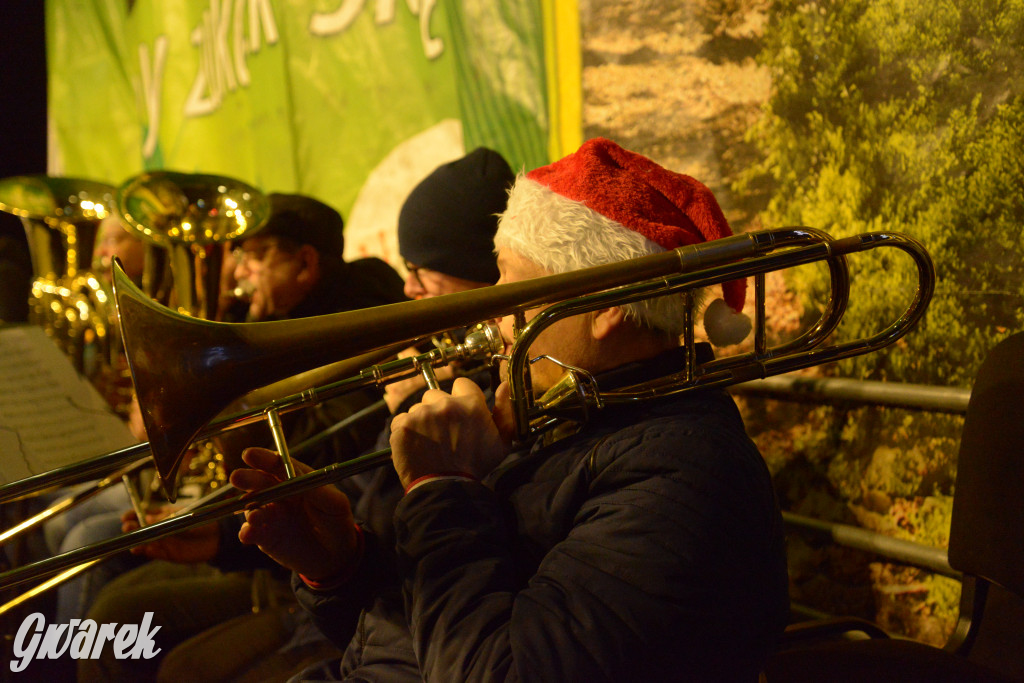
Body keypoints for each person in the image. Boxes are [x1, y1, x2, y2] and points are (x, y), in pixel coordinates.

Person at [232, 138, 790, 682]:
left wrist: (441, 488)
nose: (498, 319)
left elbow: (491, 667)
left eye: (512, 290)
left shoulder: (681, 474)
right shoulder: (562, 415)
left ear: (606, 307)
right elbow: (418, 644)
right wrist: (342, 567)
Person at [154, 147, 516, 683]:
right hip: (346, 605)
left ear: (477, 272)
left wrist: (409, 415)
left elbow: (401, 535)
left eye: (421, 270)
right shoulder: (439, 356)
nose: (408, 289)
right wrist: (226, 539)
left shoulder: (485, 392)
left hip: (396, 627)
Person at [77, 193, 407, 683]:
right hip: (260, 537)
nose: (238, 270)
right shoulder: (265, 316)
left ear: (305, 263)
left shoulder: (356, 327)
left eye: (254, 255)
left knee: (113, 605)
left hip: (298, 567)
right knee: (103, 573)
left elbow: (316, 453)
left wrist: (221, 403)